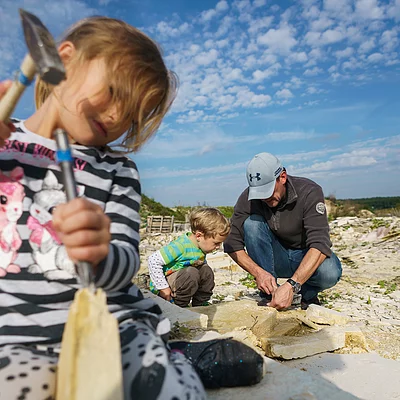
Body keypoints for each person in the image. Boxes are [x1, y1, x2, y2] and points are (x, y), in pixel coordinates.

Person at [0, 16, 208, 399]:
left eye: (132, 114)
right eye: (113, 91)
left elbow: (127, 260)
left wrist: (101, 251)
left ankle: (179, 358)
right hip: (13, 335)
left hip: (109, 324)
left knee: (174, 391)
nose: (116, 117)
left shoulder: (117, 168)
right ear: (65, 60)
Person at [224, 152, 342, 311]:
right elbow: (232, 243)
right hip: (274, 257)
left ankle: (303, 295)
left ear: (283, 177)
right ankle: (269, 294)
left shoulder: (309, 191)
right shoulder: (248, 198)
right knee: (252, 224)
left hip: (304, 256)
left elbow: (320, 244)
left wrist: (292, 285)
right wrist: (258, 272)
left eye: (268, 191)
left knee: (330, 272)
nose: (264, 198)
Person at [148, 207, 230, 307]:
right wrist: (163, 288)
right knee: (191, 273)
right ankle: (179, 305)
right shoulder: (180, 246)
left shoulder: (200, 247)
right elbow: (153, 260)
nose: (218, 247)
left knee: (206, 271)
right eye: (216, 243)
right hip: (166, 286)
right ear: (199, 236)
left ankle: (200, 304)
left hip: (181, 281)